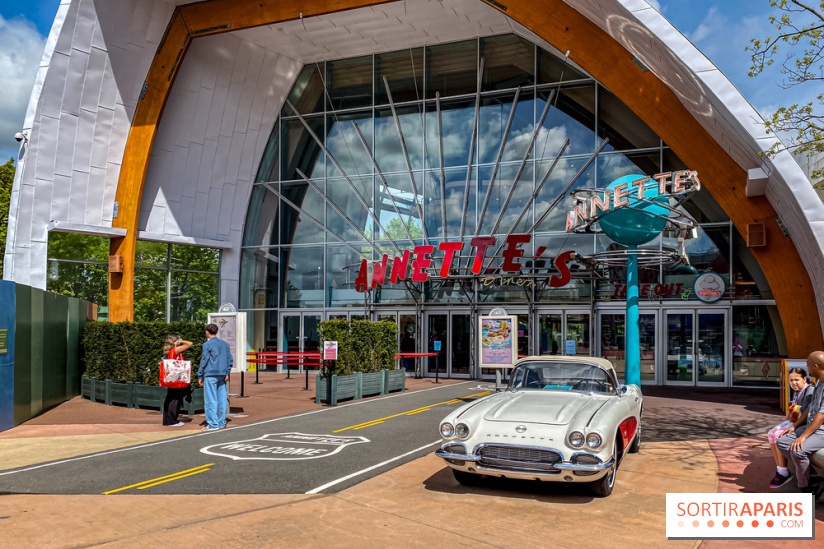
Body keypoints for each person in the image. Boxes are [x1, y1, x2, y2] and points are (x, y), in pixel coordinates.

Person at [777, 351, 824, 495]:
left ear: (815, 366)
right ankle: (814, 478)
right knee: (782, 442)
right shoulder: (820, 382)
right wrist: (795, 426)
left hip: (821, 431)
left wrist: (803, 436)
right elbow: (811, 407)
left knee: (797, 450)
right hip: (811, 427)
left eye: (808, 364)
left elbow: (821, 415)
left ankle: (806, 487)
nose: (806, 367)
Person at [766, 367, 813, 487]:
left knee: (778, 435)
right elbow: (791, 408)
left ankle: (783, 472)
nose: (793, 383)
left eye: (796, 380)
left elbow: (805, 414)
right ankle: (781, 469)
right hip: (795, 421)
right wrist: (784, 422)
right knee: (771, 433)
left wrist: (789, 422)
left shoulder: (810, 391)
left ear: (804, 379)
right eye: (791, 380)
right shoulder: (797, 390)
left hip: (804, 424)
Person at [198, 323, 234, 431]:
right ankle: (221, 422)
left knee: (210, 400)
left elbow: (204, 360)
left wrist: (200, 375)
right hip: (222, 374)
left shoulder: (207, 345)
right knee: (222, 399)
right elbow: (230, 360)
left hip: (210, 373)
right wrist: (227, 372)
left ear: (207, 332)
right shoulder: (225, 344)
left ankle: (213, 424)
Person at [161, 333, 193, 427]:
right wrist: (180, 341)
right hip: (176, 378)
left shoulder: (168, 351)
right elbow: (189, 344)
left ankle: (167, 420)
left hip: (171, 377)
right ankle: (172, 421)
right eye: (178, 339)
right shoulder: (175, 349)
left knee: (170, 397)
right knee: (176, 399)